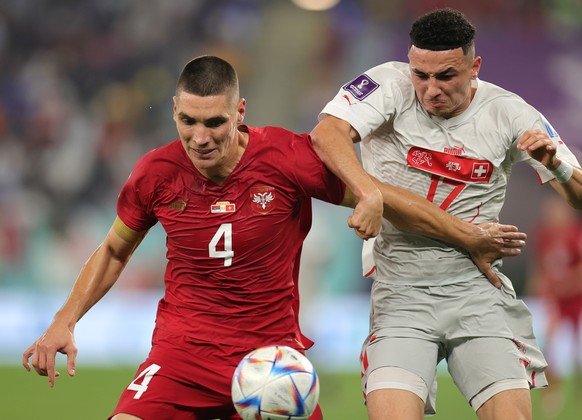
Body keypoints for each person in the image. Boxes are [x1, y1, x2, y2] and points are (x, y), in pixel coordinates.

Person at [22, 55, 525, 420]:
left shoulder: (287, 159)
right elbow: (114, 249)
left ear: (240, 112)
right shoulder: (154, 173)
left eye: (215, 122)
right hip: (181, 355)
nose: (200, 138)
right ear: (174, 109)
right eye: (188, 122)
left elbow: (382, 196)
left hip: (270, 360)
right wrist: (63, 321)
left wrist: (466, 236)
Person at [310, 7, 582, 420]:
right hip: (401, 294)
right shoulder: (387, 83)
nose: (430, 89)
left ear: (475, 66)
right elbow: (326, 133)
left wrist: (558, 165)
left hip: (476, 291)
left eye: (446, 76)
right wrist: (369, 193)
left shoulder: (511, 113)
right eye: (421, 75)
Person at [528, 194, 582, 416]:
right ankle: (553, 392)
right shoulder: (545, 236)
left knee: (579, 352)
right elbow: (539, 266)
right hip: (556, 301)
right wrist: (539, 287)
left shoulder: (576, 235)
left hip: (577, 300)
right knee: (550, 347)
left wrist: (567, 285)